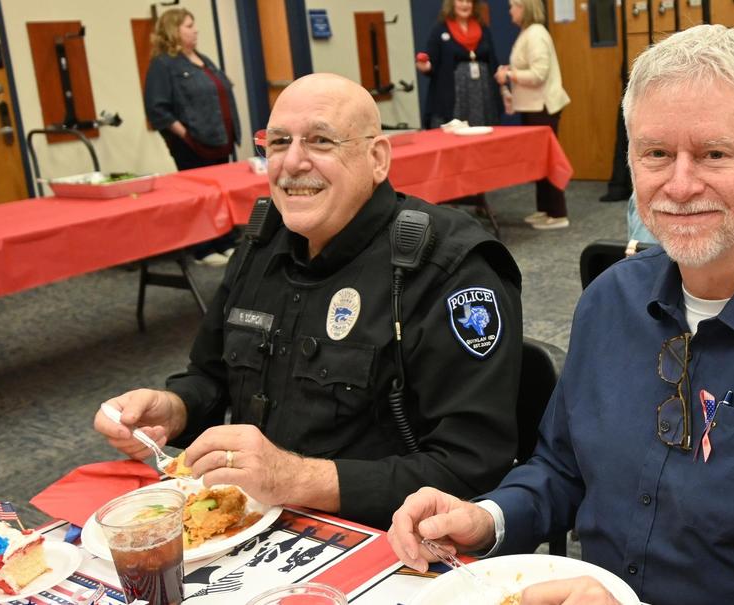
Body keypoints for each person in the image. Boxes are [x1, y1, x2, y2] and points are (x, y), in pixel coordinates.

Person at [388, 25, 734, 605]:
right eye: (657, 154)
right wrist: (487, 519)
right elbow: (563, 469)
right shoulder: (608, 303)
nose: (680, 185)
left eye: (713, 153)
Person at [95, 73, 524, 530]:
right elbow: (213, 375)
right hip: (251, 523)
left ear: (377, 158)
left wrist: (298, 479)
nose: (292, 162)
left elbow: (472, 467)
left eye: (320, 141)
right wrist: (176, 408)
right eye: (278, 142)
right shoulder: (261, 246)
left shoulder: (446, 268)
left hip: (389, 541)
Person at [144, 8, 240, 266]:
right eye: (188, 25)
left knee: (220, 193)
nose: (195, 30)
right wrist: (185, 134)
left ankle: (226, 240)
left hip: (220, 138)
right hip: (193, 144)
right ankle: (203, 248)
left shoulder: (202, 58)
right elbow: (157, 108)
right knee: (199, 197)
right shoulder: (164, 64)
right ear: (173, 30)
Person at [496, 0, 572, 230]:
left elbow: (539, 74)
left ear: (524, 8)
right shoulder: (527, 32)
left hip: (542, 107)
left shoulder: (536, 34)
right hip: (531, 107)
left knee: (548, 161)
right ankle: (544, 209)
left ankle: (558, 214)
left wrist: (510, 74)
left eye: (513, 6)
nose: (510, 11)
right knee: (539, 161)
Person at [416, 0, 501, 129]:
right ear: (452, 4)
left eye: (469, 1)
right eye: (461, 1)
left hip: (482, 95)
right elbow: (431, 62)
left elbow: (493, 62)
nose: (465, 5)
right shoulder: (440, 30)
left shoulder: (483, 28)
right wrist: (425, 66)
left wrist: (502, 89)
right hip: (453, 97)